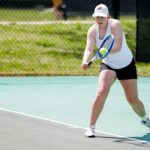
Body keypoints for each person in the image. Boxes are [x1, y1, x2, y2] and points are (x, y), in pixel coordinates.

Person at [81, 4, 150, 137]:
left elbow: (117, 46)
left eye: (102, 17)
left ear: (108, 17)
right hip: (109, 65)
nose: (99, 19)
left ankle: (145, 119)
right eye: (97, 17)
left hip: (126, 64)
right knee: (101, 91)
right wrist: (85, 60)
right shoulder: (92, 31)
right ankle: (91, 126)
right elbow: (89, 49)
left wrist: (103, 52)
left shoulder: (115, 25)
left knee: (133, 100)